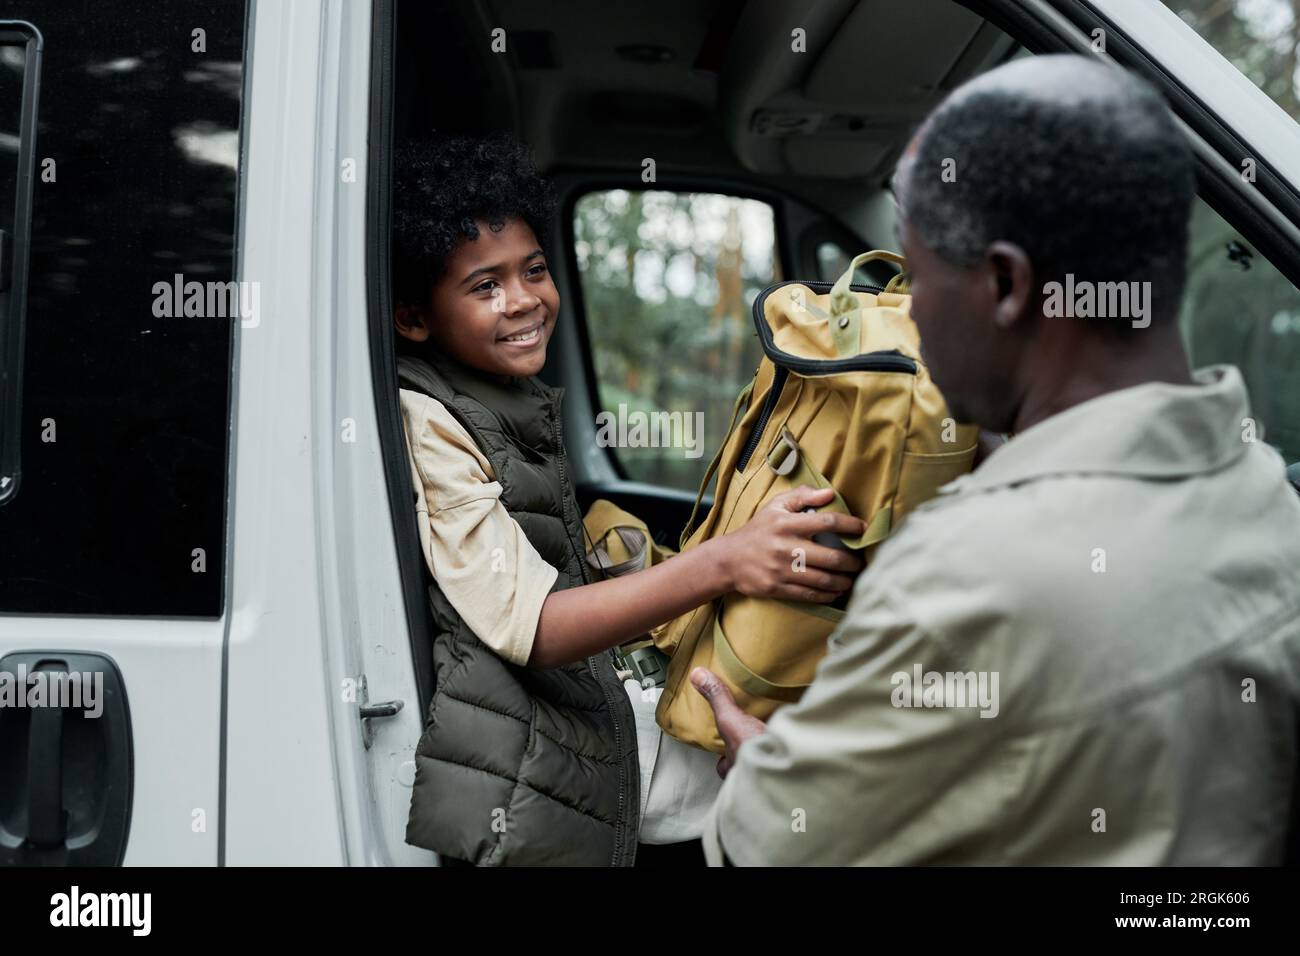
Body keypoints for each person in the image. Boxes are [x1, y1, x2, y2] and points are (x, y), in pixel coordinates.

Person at [691, 53, 1300, 865]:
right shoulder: (1269, 497)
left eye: (919, 277)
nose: (909, 310)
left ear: (1007, 286)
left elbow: (765, 849)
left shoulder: (964, 578)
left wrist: (753, 769)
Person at [391, 136, 866, 865]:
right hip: (534, 758)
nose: (523, 300)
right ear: (416, 319)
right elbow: (537, 627)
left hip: (580, 702)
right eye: (485, 286)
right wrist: (724, 565)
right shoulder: (428, 420)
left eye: (535, 271)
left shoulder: (500, 400)